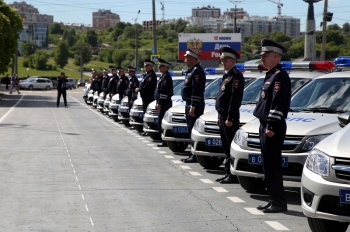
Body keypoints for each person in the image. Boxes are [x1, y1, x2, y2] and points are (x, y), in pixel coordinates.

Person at [253, 38, 291, 213]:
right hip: (266, 125)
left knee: (272, 164)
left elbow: (278, 103)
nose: (262, 58)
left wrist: (271, 126)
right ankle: (273, 199)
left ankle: (279, 202)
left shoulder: (279, 76)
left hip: (272, 127)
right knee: (267, 164)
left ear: (276, 56)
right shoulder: (270, 74)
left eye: (265, 55)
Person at [215, 47, 244, 184]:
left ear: (233, 60)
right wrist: (219, 116)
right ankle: (228, 172)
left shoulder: (236, 76)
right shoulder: (227, 76)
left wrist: (230, 118)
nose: (223, 63)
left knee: (230, 146)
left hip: (229, 117)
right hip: (223, 116)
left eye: (225, 60)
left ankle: (232, 174)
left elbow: (235, 99)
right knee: (225, 147)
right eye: (222, 60)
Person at [180, 49, 206, 163]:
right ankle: (193, 153)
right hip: (190, 103)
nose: (185, 59)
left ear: (192, 58)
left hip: (194, 104)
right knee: (190, 129)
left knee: (193, 130)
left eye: (186, 57)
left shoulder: (197, 71)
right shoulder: (191, 71)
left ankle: (194, 154)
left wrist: (193, 105)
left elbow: (197, 90)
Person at [135, 59, 157, 136]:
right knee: (145, 113)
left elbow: (148, 86)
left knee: (147, 113)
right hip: (145, 97)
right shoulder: (147, 75)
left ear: (150, 66)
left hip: (149, 98)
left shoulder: (151, 75)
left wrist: (140, 89)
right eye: (144, 66)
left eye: (146, 66)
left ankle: (148, 129)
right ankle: (146, 129)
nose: (145, 67)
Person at [155, 58, 173, 147]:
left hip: (164, 103)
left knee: (162, 121)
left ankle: (164, 140)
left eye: (161, 66)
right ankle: (163, 140)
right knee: (160, 121)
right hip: (163, 102)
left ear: (166, 67)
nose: (159, 67)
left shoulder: (166, 77)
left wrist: (160, 102)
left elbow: (164, 92)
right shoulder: (163, 76)